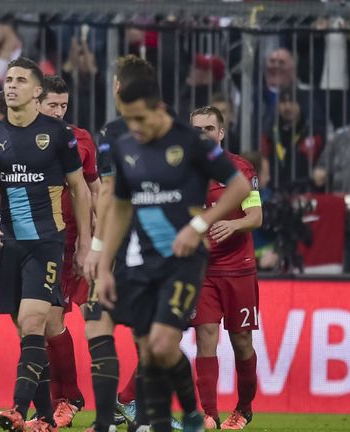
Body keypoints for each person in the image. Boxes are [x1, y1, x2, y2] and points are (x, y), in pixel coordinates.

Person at [93, 77, 250, 432]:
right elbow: (118, 208)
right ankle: (173, 419)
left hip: (184, 261)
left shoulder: (192, 143)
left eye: (141, 118)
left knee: (164, 342)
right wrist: (103, 266)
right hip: (139, 261)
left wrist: (200, 225)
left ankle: (187, 413)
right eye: (129, 120)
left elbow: (239, 184)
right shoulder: (126, 147)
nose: (135, 127)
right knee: (151, 350)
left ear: (158, 110)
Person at [0, 57, 91, 432]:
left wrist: (85, 243)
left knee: (33, 320)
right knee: (28, 331)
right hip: (10, 244)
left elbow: (81, 189)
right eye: (8, 79)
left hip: (47, 241)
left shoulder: (58, 135)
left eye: (20, 80)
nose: (11, 85)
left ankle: (17, 409)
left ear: (36, 91)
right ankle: (44, 418)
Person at [84, 55, 177, 432]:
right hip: (166, 244)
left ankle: (107, 422)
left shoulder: (114, 131)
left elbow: (107, 192)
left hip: (126, 243)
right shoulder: (177, 130)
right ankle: (146, 418)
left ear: (119, 87)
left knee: (97, 323)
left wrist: (97, 246)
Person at [32, 74, 99, 428]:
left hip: (72, 240)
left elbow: (95, 189)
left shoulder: (81, 140)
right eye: (52, 105)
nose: (58, 112)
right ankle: (57, 403)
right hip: (36, 239)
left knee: (57, 321)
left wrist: (95, 243)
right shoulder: (21, 137)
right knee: (39, 324)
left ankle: (68, 399)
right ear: (37, 103)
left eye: (63, 105)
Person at [190, 106, 262, 430]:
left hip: (238, 269)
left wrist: (233, 227)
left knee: (241, 341)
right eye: (197, 129)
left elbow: (256, 217)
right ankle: (209, 413)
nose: (202, 134)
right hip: (203, 271)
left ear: (221, 133)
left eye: (209, 128)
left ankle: (244, 408)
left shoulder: (240, 170)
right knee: (205, 336)